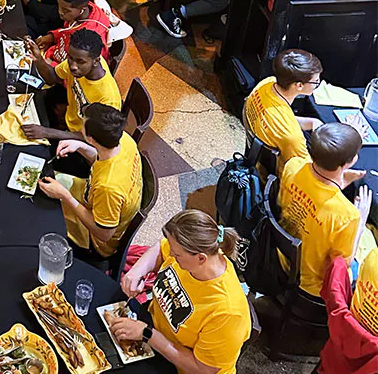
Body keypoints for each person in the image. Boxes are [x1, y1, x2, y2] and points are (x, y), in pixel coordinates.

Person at [114, 210, 251, 374]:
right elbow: (160, 248)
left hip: (178, 365)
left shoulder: (228, 312)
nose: (171, 254)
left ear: (201, 258)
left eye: (177, 254)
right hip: (153, 331)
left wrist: (146, 334)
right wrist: (136, 272)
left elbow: (202, 369)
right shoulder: (194, 253)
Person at [38, 103, 142, 260]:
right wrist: (79, 146)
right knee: (47, 182)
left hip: (96, 242)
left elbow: (104, 234)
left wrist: (65, 196)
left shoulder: (108, 188)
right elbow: (102, 161)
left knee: (40, 210)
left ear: (91, 139)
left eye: (83, 125)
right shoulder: (123, 139)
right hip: (92, 196)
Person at [278, 123, 369, 297]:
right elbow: (342, 265)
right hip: (311, 285)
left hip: (281, 255)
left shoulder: (293, 165)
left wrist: (340, 182)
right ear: (347, 163)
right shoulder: (347, 215)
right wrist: (361, 222)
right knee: (369, 241)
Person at [27, 28, 121, 136]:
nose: (73, 66)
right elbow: (52, 78)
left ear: (96, 61)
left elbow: (94, 139)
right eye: (70, 58)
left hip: (81, 140)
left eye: (80, 62)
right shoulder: (78, 58)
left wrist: (46, 132)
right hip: (66, 122)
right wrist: (38, 58)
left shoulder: (108, 99)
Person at [244, 48, 324, 170]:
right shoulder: (293, 137)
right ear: (299, 85)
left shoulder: (267, 84)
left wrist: (313, 123)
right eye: (316, 82)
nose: (317, 85)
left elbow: (280, 121)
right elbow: (308, 172)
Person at [34, 0, 113, 67]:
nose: (60, 12)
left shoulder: (90, 39)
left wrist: (47, 65)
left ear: (82, 10)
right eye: (59, 6)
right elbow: (67, 31)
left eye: (65, 10)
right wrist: (52, 37)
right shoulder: (81, 10)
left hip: (59, 71)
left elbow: (76, 71)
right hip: (52, 55)